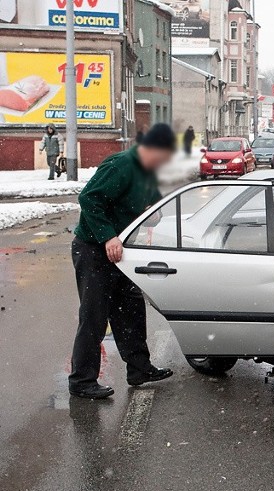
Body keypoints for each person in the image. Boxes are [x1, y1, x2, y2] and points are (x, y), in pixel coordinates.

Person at [68, 123, 177, 399]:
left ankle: (139, 369)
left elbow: (153, 206)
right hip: (93, 249)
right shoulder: (121, 165)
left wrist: (154, 213)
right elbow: (89, 199)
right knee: (94, 315)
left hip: (120, 252)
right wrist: (107, 237)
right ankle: (82, 380)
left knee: (130, 309)